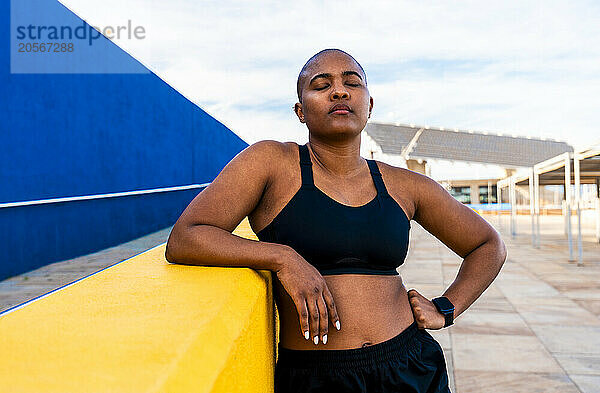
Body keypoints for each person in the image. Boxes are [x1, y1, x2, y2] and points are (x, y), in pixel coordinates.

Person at [165, 48, 507, 393]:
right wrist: (283, 258)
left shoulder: (405, 184)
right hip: (317, 377)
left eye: (352, 83)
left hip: (411, 366)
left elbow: (487, 245)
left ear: (369, 105)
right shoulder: (271, 162)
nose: (339, 91)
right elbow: (186, 237)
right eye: (321, 85)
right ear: (300, 111)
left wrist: (446, 308)